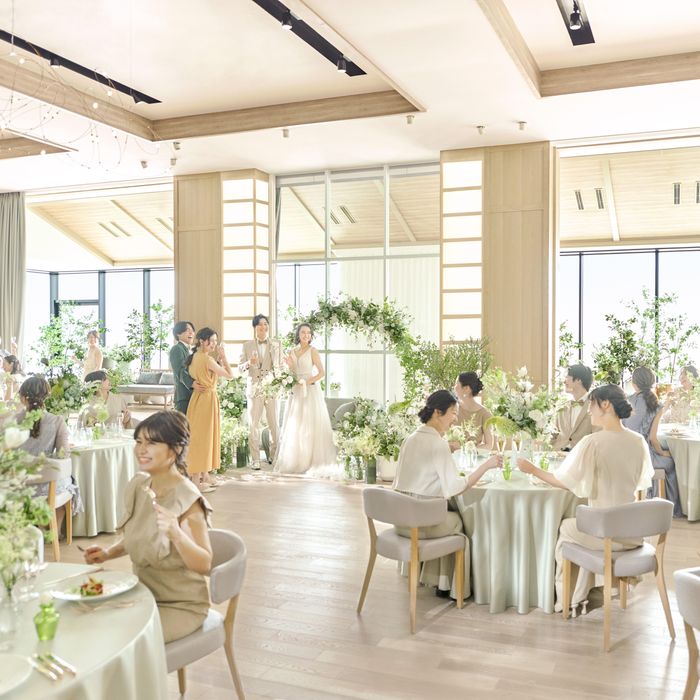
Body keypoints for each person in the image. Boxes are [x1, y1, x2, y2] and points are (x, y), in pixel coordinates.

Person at [517, 384, 654, 614]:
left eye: (592, 405)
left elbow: (564, 481)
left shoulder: (593, 442)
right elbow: (639, 483)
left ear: (605, 405)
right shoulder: (638, 441)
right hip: (634, 534)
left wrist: (532, 469)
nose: (589, 410)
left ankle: (568, 599)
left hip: (607, 534)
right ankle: (592, 589)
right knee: (581, 525)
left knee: (565, 529)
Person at [83, 411, 213, 643]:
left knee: (116, 639)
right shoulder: (140, 486)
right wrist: (107, 553)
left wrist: (176, 534)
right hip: (143, 595)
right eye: (139, 442)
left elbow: (205, 564)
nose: (141, 450)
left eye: (151, 443)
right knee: (85, 621)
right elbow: (141, 534)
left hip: (181, 605)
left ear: (175, 449)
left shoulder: (188, 499)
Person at [393, 390, 502, 598]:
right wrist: (487, 465)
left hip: (401, 522)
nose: (455, 419)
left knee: (445, 512)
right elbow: (455, 487)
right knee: (462, 522)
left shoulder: (411, 438)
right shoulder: (437, 443)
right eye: (453, 413)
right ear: (437, 412)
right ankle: (449, 587)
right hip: (421, 525)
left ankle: (433, 578)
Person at [17, 376, 83, 534]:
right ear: (46, 397)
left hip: (15, 485)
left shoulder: (8, 420)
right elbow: (63, 455)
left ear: (22, 398)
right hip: (44, 486)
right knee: (68, 482)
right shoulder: (57, 421)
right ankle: (53, 531)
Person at [274, 323, 336, 475]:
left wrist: (306, 382)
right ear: (298, 334)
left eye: (309, 333)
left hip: (310, 391)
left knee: (309, 426)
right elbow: (293, 372)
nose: (306, 335)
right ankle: (296, 461)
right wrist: (289, 367)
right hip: (296, 390)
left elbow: (321, 373)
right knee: (296, 425)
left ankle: (310, 461)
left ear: (311, 336)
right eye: (303, 332)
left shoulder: (313, 351)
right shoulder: (292, 351)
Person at [622, 366, 682, 517]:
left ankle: (650, 498)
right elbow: (653, 439)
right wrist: (663, 452)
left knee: (660, 460)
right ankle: (667, 506)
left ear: (634, 383)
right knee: (670, 463)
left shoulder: (626, 401)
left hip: (625, 455)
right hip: (643, 456)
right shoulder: (656, 405)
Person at [185, 328, 232, 492]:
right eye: (211, 341)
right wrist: (224, 357)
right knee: (203, 439)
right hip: (207, 401)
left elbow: (206, 373)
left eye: (215, 341)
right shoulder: (207, 359)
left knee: (199, 438)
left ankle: (204, 476)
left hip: (196, 400)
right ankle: (196, 481)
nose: (213, 344)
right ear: (202, 341)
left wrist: (217, 361)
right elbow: (229, 374)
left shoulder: (194, 357)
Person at [239, 314, 282, 469]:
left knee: (274, 424)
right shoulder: (247, 345)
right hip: (254, 389)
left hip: (271, 389)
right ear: (255, 328)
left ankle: (274, 457)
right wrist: (249, 363)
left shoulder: (277, 344)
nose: (263, 327)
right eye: (260, 324)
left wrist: (280, 382)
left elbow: (280, 367)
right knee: (253, 425)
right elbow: (240, 368)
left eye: (265, 324)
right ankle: (255, 459)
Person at [551, 364, 597, 451]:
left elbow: (598, 437)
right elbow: (553, 435)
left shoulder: (596, 406)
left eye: (567, 377)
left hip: (583, 455)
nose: (564, 382)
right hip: (559, 456)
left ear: (578, 380)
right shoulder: (562, 407)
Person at [452, 372, 493, 449]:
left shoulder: (484, 414)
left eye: (456, 385)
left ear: (466, 389)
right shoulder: (451, 410)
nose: (454, 388)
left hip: (473, 456)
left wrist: (467, 450)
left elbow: (489, 445)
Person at [169, 321, 196, 414]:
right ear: (178, 333)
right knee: (182, 422)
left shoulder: (191, 350)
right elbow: (180, 371)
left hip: (193, 394)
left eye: (192, 330)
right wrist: (192, 384)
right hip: (183, 396)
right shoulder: (177, 349)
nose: (191, 333)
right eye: (187, 330)